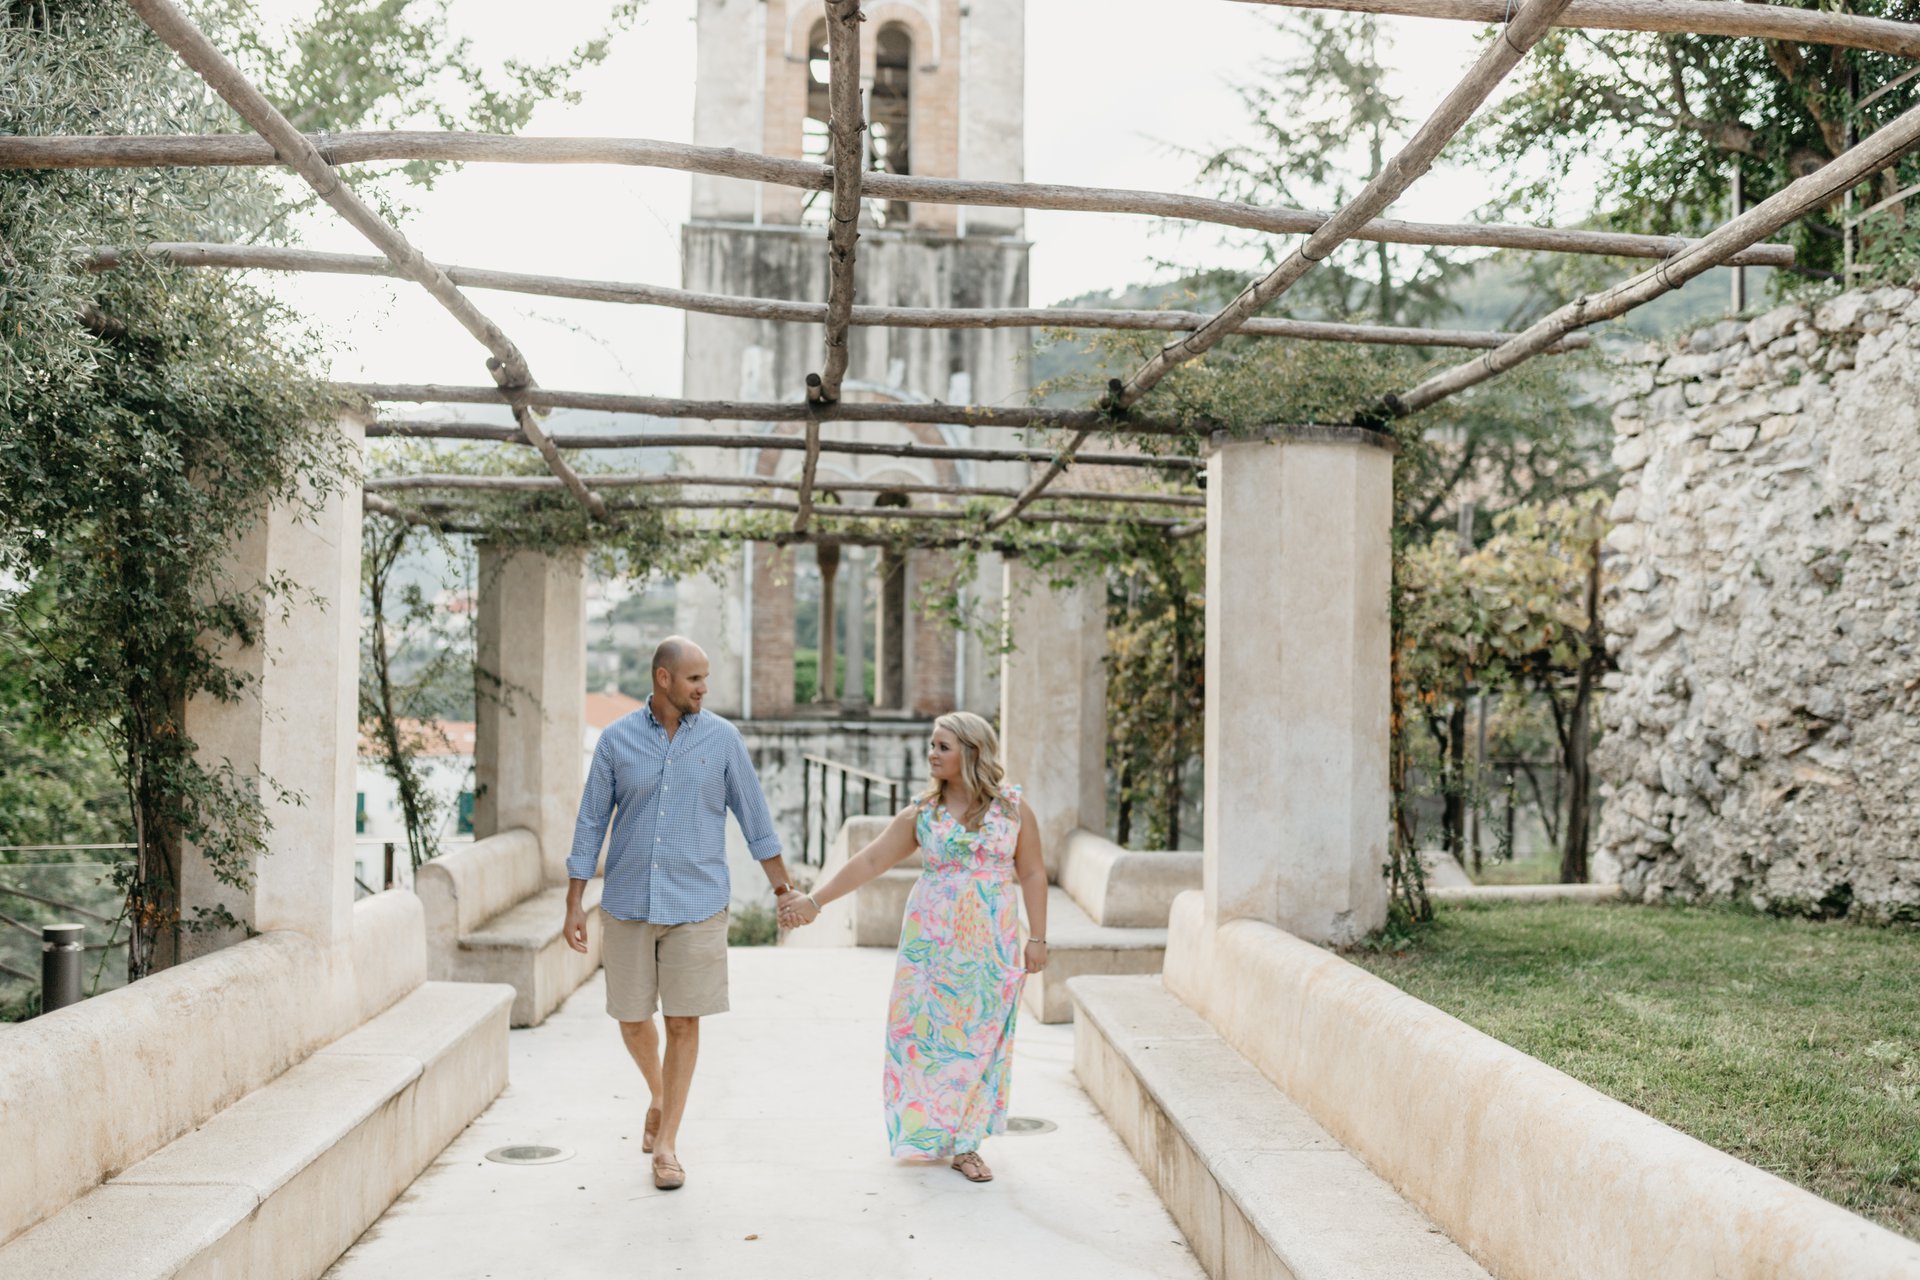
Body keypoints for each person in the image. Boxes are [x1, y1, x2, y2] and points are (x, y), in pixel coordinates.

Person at [562, 636, 803, 1192]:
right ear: (663, 678)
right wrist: (574, 900)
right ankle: (659, 1094)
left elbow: (755, 819)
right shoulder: (616, 740)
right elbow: (591, 821)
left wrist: (783, 890)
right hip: (627, 901)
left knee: (683, 1021)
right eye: (694, 678)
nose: (703, 688)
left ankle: (667, 1143)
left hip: (697, 904)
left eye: (705, 678)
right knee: (631, 1019)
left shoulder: (723, 739)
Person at [781, 711, 1048, 1183]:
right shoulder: (922, 814)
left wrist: (1038, 938)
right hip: (931, 947)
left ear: (972, 751)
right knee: (924, 1038)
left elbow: (1031, 872)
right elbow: (870, 860)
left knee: (981, 1039)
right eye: (931, 745)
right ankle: (929, 1134)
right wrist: (815, 901)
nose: (932, 754)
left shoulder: (1012, 809)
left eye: (943, 746)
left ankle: (966, 1143)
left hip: (991, 944)